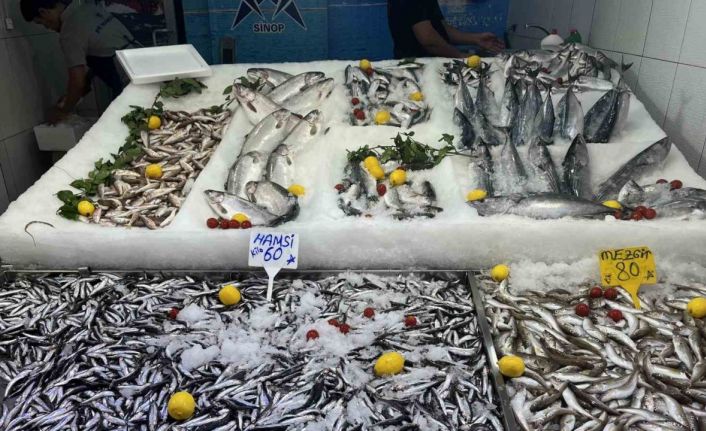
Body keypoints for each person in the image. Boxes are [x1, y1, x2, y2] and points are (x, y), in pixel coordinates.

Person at [20, 0, 138, 123]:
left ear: (43, 12)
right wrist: (81, 87)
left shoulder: (69, 31)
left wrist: (63, 111)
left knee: (126, 125)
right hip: (141, 68)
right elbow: (105, 50)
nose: (47, 27)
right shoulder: (87, 8)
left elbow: (77, 82)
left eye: (41, 22)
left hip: (128, 84)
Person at [387, 0, 504, 59]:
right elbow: (429, 40)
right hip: (415, 66)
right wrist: (460, 56)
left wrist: (475, 39)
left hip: (431, 63)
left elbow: (443, 30)